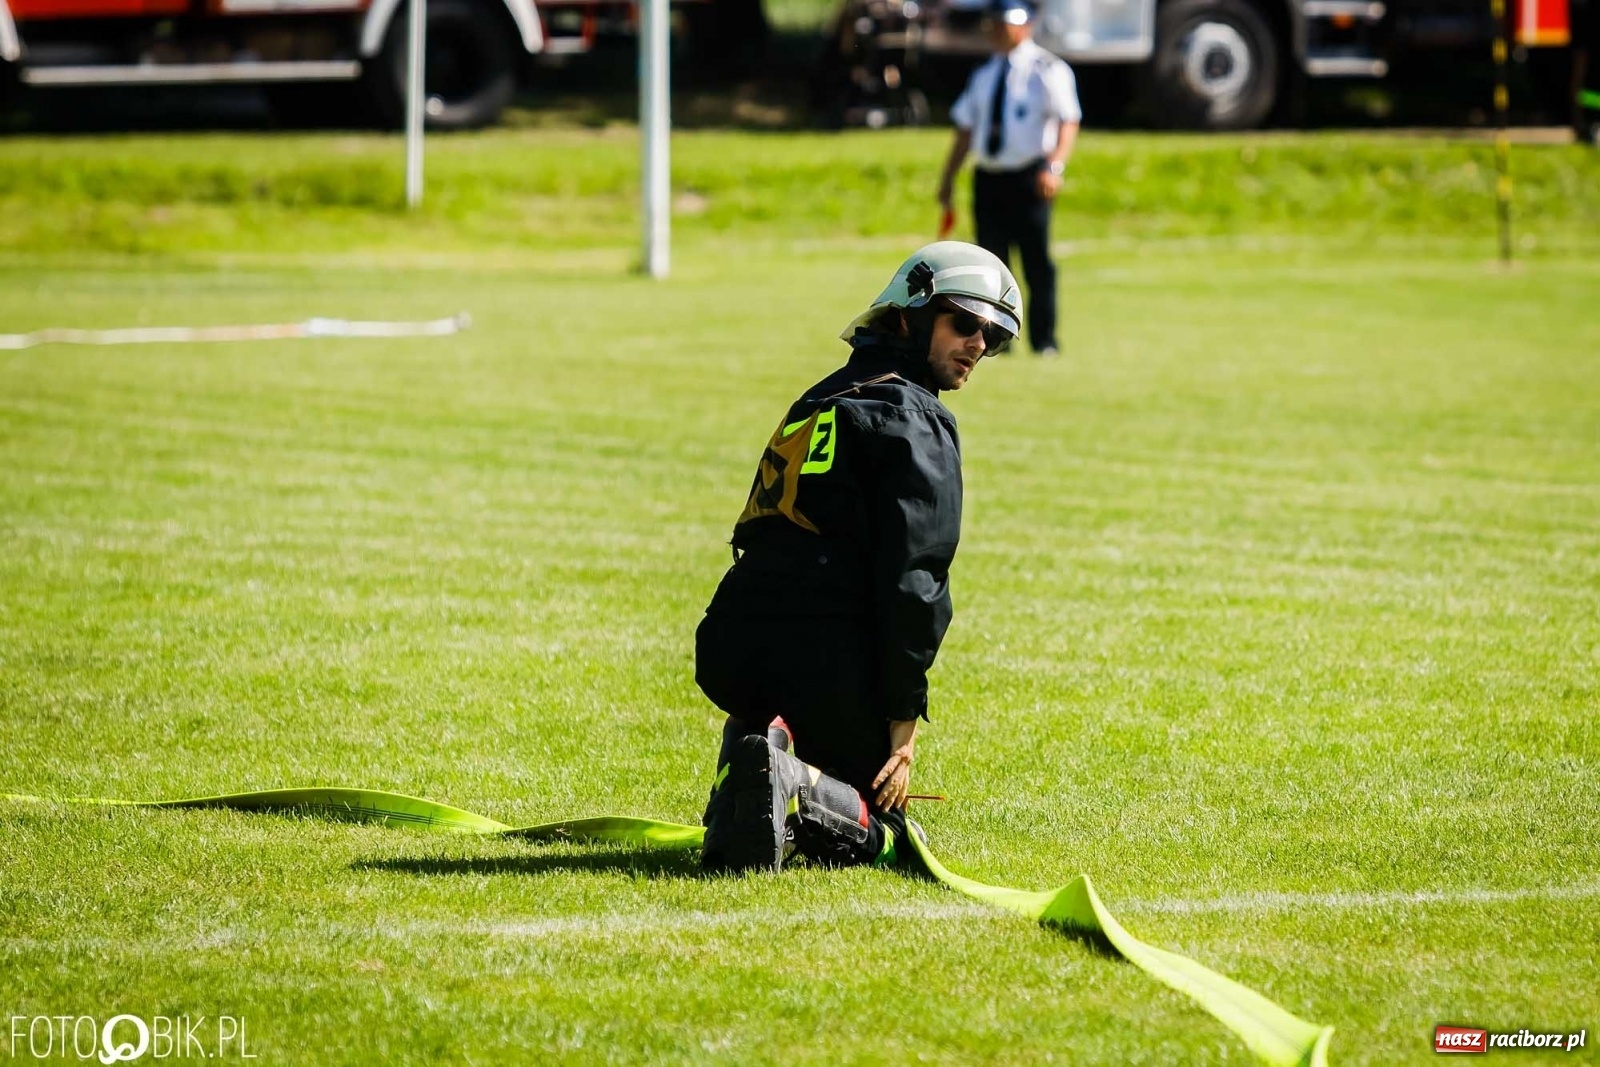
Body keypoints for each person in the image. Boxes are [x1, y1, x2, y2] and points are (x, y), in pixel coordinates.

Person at [695, 241, 1023, 874]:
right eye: (964, 322)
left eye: (993, 336)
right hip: (824, 657)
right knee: (884, 829)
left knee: (781, 730)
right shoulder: (916, 416)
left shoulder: (819, 397)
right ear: (909, 315)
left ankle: (752, 763)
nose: (978, 344)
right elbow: (915, 582)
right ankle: (787, 781)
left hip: (733, 644)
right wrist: (903, 722)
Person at [938, 0, 1080, 358]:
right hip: (989, 178)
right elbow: (966, 130)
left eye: (1003, 24)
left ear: (1024, 26)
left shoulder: (1046, 69)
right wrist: (949, 177)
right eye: (993, 24)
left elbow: (1067, 120)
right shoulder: (984, 74)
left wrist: (1055, 166)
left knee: (1036, 263)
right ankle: (994, 339)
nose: (996, 31)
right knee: (991, 265)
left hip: (1029, 177)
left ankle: (1043, 338)